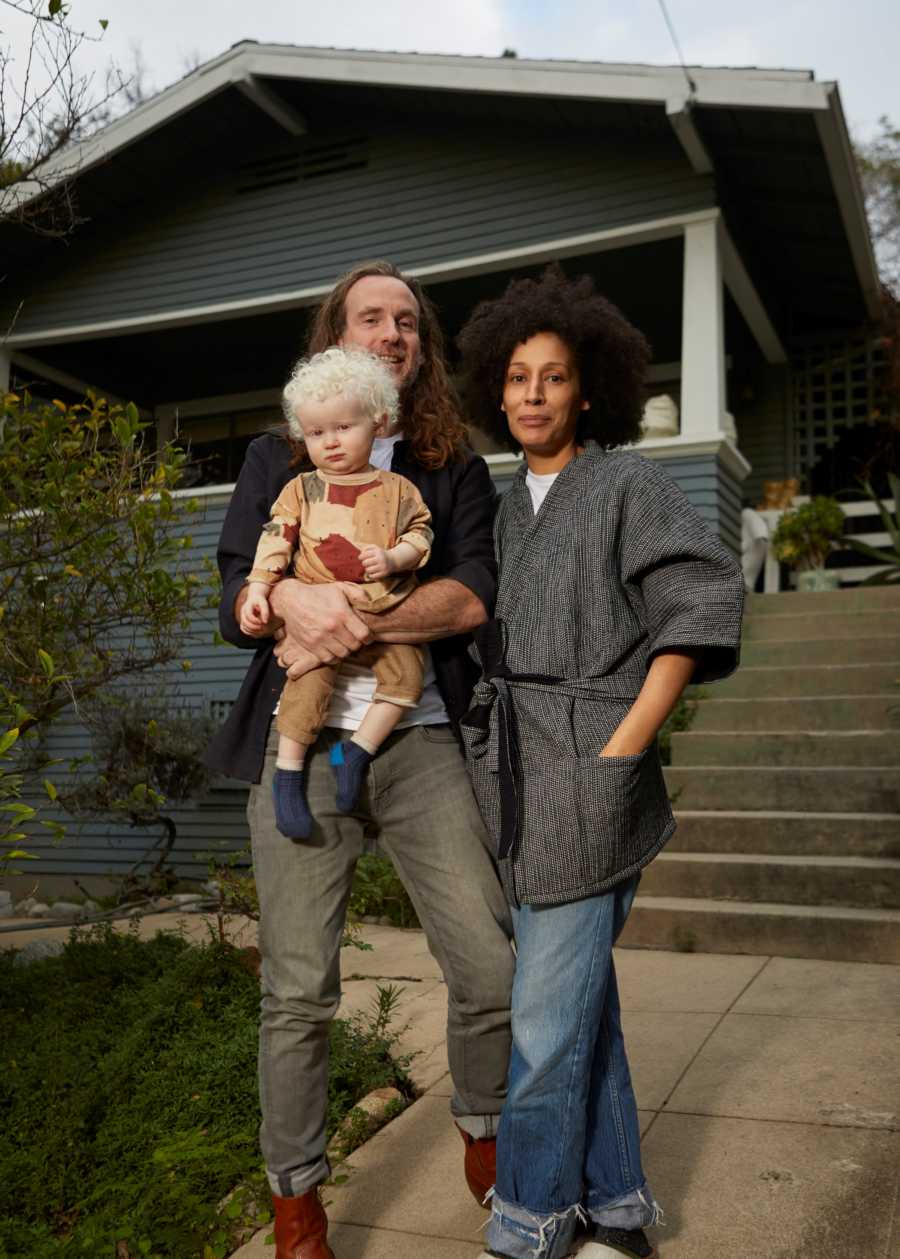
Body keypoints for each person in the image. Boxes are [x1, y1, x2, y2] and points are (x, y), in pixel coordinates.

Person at [206, 261, 515, 1259]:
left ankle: (484, 1119)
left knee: (488, 961)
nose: (394, 331)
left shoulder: (448, 463)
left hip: (418, 738)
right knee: (298, 990)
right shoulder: (275, 456)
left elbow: (469, 596)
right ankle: (295, 1198)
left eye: (409, 322)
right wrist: (285, 598)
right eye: (371, 316)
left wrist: (342, 613)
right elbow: (235, 598)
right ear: (333, 335)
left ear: (419, 350)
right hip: (297, 744)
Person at [457, 266, 745, 1259]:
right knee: (580, 1002)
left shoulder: (628, 484)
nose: (536, 392)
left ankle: (528, 1226)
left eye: (557, 375)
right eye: (519, 376)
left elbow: (698, 607)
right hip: (514, 779)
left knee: (541, 1019)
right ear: (497, 390)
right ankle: (615, 1204)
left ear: (589, 390)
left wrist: (624, 743)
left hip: (594, 762)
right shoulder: (494, 510)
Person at [240, 347, 433, 837]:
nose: (330, 442)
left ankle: (356, 752)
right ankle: (288, 776)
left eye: (344, 428)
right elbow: (276, 538)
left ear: (379, 422)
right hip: (318, 618)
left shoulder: (400, 489)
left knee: (408, 676)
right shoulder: (300, 489)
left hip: (381, 607)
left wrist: (394, 559)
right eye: (317, 432)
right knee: (308, 685)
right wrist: (261, 587)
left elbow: (421, 534)